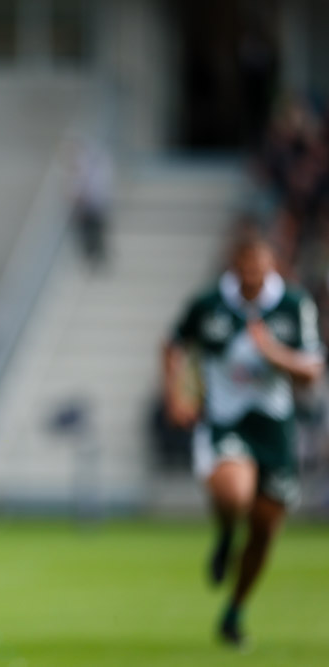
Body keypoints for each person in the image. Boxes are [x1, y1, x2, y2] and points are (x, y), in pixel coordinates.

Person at [162, 234, 324, 647]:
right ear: (233, 265)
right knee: (236, 493)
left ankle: (234, 611)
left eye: (259, 266)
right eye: (245, 266)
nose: (252, 274)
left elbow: (311, 373)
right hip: (226, 421)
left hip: (274, 427)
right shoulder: (210, 304)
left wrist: (272, 353)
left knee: (266, 530)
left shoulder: (292, 305)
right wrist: (176, 395)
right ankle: (223, 535)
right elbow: (173, 344)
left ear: (272, 265)